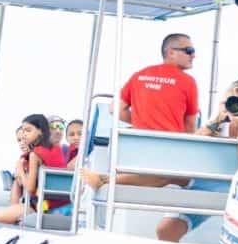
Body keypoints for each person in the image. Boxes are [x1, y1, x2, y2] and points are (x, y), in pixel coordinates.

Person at [156, 77, 238, 243]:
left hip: (234, 188)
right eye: (237, 102)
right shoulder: (220, 121)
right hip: (205, 180)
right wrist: (218, 120)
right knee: (166, 230)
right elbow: (190, 146)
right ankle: (112, 180)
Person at [81, 33, 200, 191]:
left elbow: (114, 109)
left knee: (170, 175)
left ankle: (106, 179)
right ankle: (105, 181)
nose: (194, 55)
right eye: (189, 50)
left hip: (136, 149)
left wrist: (141, 120)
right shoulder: (188, 82)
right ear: (171, 52)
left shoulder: (140, 75)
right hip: (169, 148)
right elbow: (190, 126)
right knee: (175, 175)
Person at [0, 114, 67, 224]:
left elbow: (29, 187)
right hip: (57, 204)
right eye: (23, 131)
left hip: (41, 207)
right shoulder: (55, 148)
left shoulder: (35, 154)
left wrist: (20, 168)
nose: (24, 135)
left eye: (28, 131)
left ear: (41, 131)